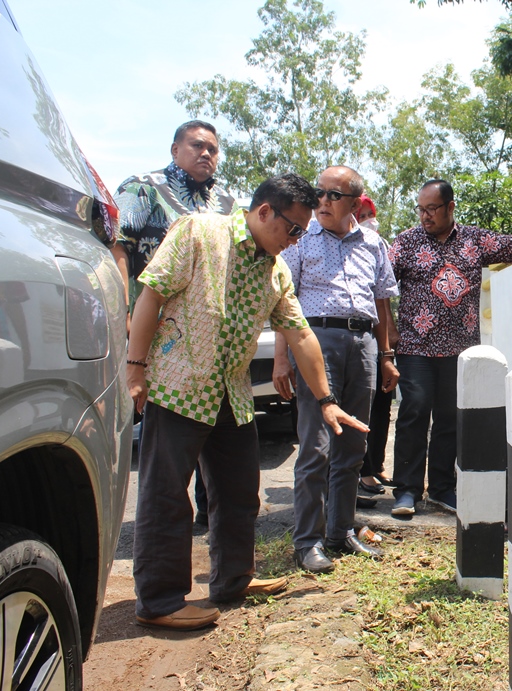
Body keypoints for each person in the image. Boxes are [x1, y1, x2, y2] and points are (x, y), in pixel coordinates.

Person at [126, 173, 367, 631]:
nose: (297, 241)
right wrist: (136, 367)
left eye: (302, 231)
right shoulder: (199, 232)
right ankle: (159, 600)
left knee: (239, 494)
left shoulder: (275, 270)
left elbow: (300, 334)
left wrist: (327, 400)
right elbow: (151, 293)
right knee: (166, 496)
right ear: (262, 212)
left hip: (231, 395)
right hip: (180, 385)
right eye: (293, 229)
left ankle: (233, 579)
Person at [388, 180, 512, 518]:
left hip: (461, 351)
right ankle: (407, 491)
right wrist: (389, 334)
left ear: (450, 207)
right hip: (416, 348)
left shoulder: (475, 240)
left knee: (449, 420)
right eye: (421, 209)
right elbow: (381, 284)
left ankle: (443, 487)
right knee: (413, 412)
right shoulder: (406, 242)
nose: (425, 216)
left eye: (432, 209)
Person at [272, 168, 398, 572]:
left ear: (356, 204)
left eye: (333, 195)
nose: (322, 202)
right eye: (319, 194)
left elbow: (381, 302)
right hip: (316, 342)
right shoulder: (301, 241)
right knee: (316, 446)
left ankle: (340, 532)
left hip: (362, 345)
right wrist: (280, 357)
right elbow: (283, 301)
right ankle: (307, 541)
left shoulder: (373, 244)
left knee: (354, 444)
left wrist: (386, 353)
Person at [112, 119, 236, 527]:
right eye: (197, 146)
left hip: (209, 334)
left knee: (212, 424)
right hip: (155, 326)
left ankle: (208, 518)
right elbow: (120, 246)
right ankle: (161, 518)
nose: (206, 154)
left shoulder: (226, 201)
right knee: (164, 427)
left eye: (213, 149)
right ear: (174, 149)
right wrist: (123, 309)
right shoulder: (143, 189)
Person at [356, 194, 398, 497]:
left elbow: (383, 300)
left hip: (380, 339)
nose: (369, 218)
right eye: (362, 213)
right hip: (357, 337)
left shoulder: (376, 244)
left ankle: (377, 464)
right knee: (363, 408)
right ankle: (364, 470)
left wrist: (389, 343)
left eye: (370, 212)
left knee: (383, 404)